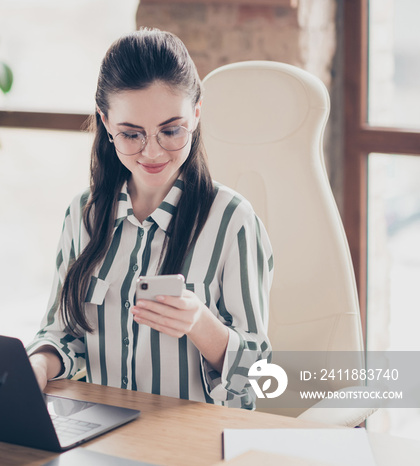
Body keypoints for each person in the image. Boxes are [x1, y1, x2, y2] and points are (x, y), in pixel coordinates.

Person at [26, 28, 273, 409]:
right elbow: (64, 333)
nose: (153, 152)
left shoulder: (232, 221)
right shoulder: (83, 215)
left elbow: (260, 378)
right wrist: (37, 365)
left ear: (196, 112)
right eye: (131, 134)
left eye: (171, 131)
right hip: (101, 435)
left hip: (194, 443)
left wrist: (200, 324)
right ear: (106, 123)